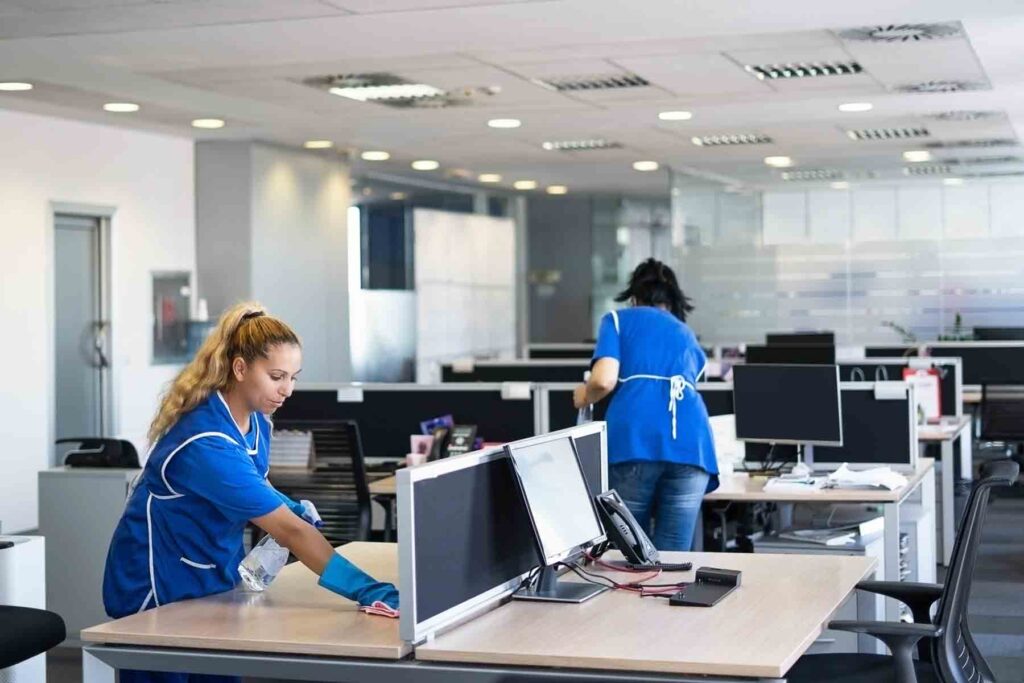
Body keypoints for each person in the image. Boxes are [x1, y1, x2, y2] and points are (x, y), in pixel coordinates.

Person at [103, 302, 397, 683]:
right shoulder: (205, 442)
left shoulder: (256, 420)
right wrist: (367, 590)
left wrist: (286, 504)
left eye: (293, 377)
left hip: (211, 578)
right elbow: (289, 531)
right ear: (240, 369)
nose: (287, 390)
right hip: (159, 587)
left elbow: (251, 483)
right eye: (277, 376)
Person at [573, 258, 718, 551]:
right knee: (673, 554)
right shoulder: (685, 333)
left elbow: (603, 380)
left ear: (634, 297)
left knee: (630, 553)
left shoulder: (617, 320)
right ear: (673, 300)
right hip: (692, 447)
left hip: (635, 441)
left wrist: (583, 396)